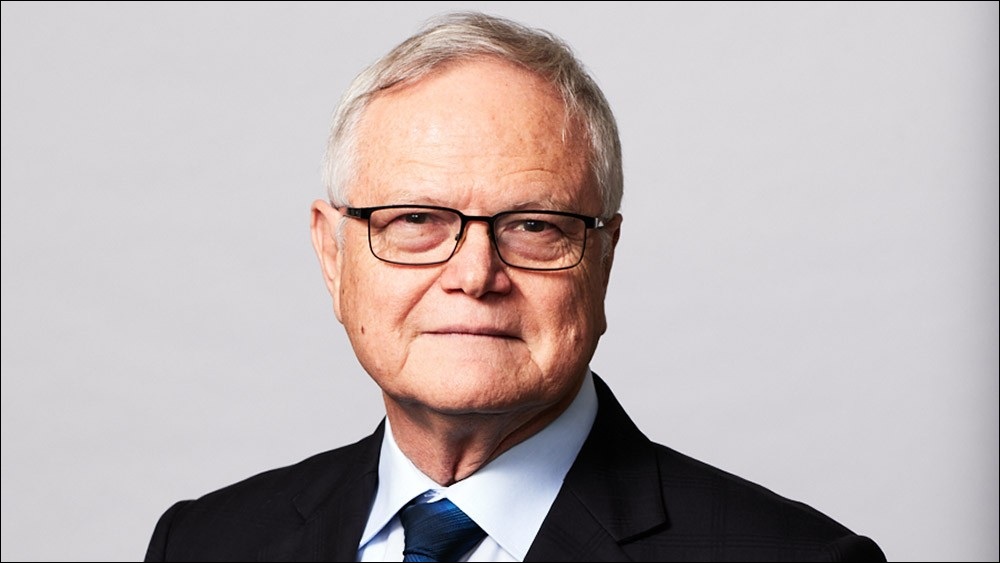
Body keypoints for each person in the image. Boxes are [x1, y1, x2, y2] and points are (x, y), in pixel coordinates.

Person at [144, 11, 885, 562]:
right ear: (333, 255)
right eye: (415, 219)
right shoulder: (204, 542)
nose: (474, 276)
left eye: (534, 226)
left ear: (603, 259)